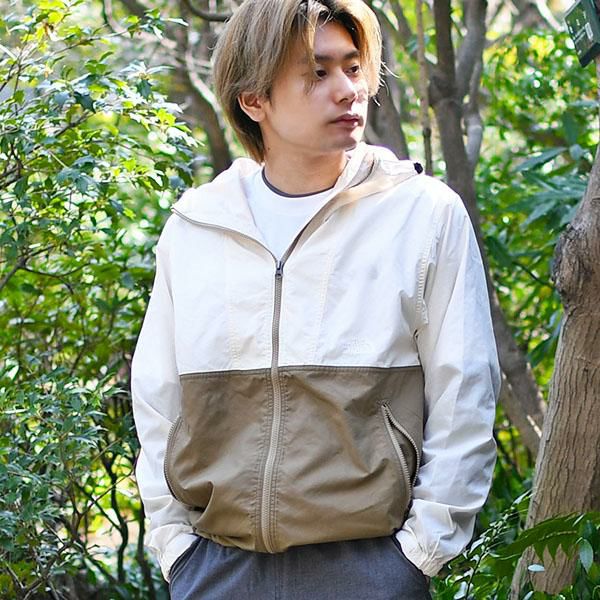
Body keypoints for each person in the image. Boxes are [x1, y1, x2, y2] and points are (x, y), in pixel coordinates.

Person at [130, 1, 500, 598]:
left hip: (371, 567)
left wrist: (417, 556)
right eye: (318, 73)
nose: (348, 90)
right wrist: (178, 550)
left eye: (353, 68)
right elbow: (158, 399)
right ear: (254, 100)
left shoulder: (423, 214)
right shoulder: (197, 226)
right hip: (217, 569)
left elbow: (466, 389)